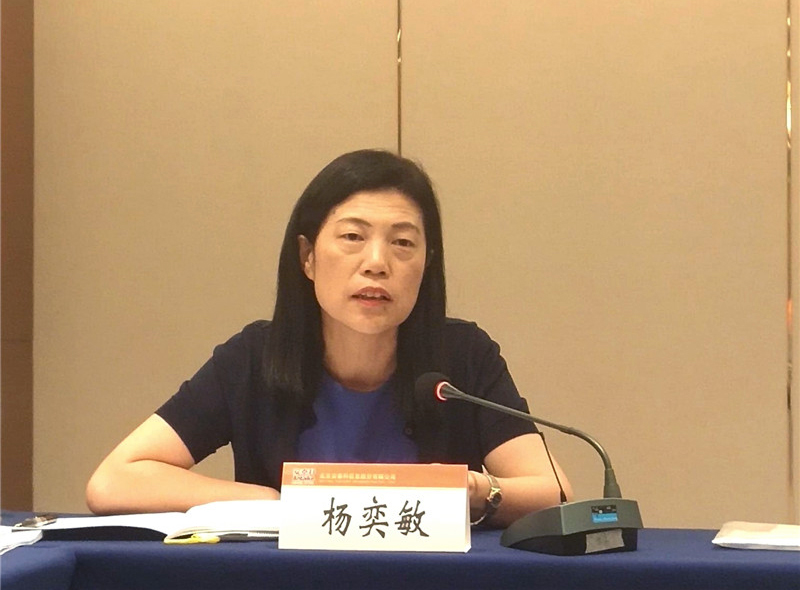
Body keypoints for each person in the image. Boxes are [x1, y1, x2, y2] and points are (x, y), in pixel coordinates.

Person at [86, 149, 572, 527]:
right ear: (307, 257)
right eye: (353, 237)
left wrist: (476, 491)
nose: (377, 263)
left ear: (427, 264)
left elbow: (555, 492)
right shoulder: (254, 358)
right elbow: (113, 481)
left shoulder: (462, 357)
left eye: (403, 242)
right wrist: (268, 502)